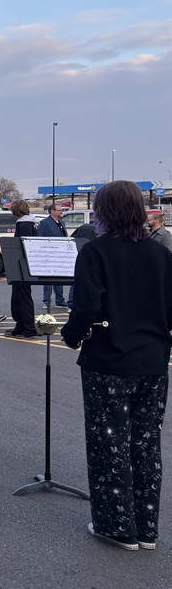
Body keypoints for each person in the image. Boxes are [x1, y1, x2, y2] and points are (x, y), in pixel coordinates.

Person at [61, 181, 172, 551]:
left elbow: (87, 306)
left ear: (105, 212)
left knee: (110, 443)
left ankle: (117, 526)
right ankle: (147, 527)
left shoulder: (96, 252)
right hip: (153, 360)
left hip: (108, 359)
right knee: (145, 444)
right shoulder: (160, 254)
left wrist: (72, 336)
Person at [5, 199, 38, 338]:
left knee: (23, 297)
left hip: (23, 266)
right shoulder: (30, 222)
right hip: (25, 265)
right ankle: (20, 325)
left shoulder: (24, 224)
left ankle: (29, 328)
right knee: (18, 297)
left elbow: (25, 245)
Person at [37, 204, 68, 307]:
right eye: (59, 210)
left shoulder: (62, 222)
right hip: (49, 255)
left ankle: (60, 300)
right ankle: (46, 301)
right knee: (48, 279)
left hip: (60, 254)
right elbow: (40, 238)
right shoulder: (44, 223)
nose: (61, 212)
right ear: (52, 211)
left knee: (60, 278)